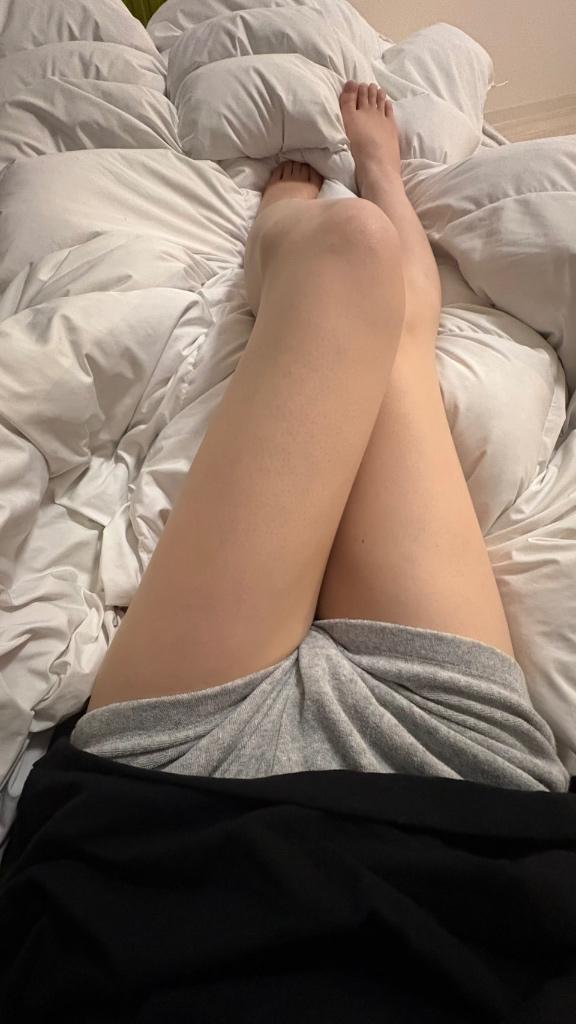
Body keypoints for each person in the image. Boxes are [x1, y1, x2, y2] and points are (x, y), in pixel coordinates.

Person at [1, 81, 574, 1024]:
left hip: (163, 812)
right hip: (461, 804)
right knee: (378, 296)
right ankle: (376, 176)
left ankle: (286, 232)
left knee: (347, 255)